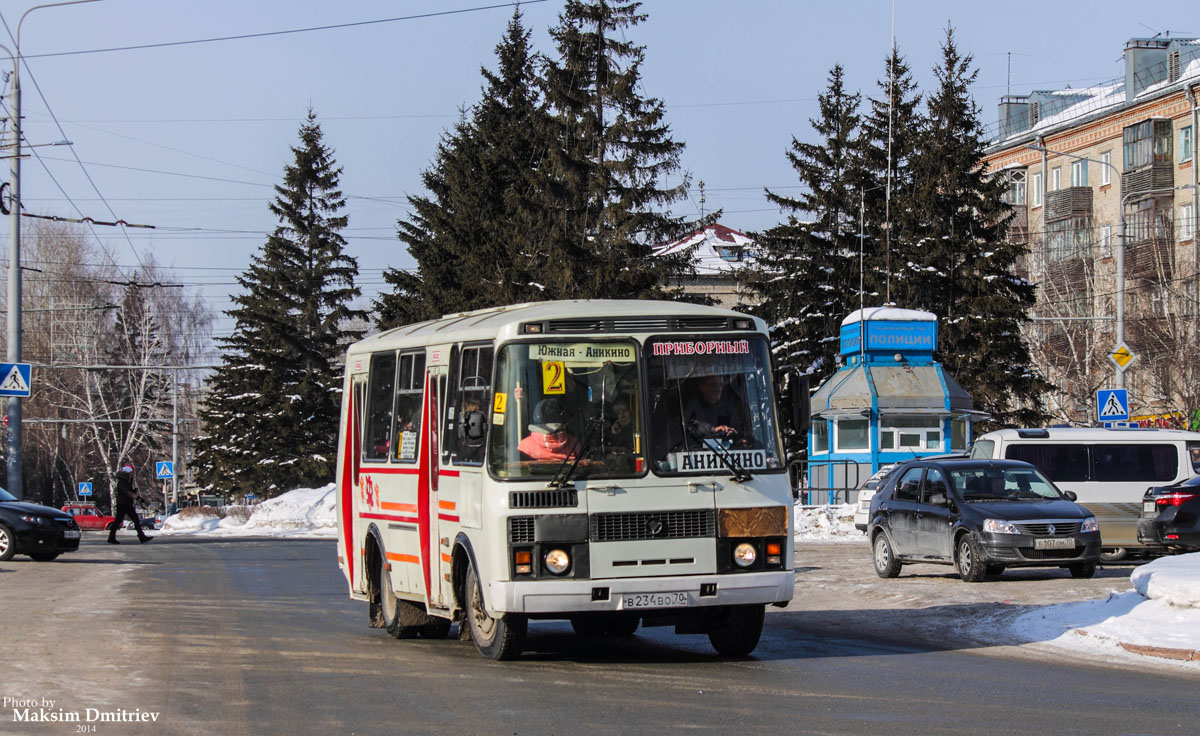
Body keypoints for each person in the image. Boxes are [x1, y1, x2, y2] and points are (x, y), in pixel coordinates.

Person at [683, 374, 746, 440]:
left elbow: (739, 435)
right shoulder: (692, 407)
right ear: (702, 387)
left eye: (721, 385)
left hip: (725, 449)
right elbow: (689, 426)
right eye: (713, 385)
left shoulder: (729, 410)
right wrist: (713, 429)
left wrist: (732, 433)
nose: (718, 389)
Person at [108, 464, 152, 544]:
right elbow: (127, 492)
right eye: (131, 472)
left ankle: (112, 537)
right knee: (128, 520)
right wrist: (137, 497)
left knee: (128, 520)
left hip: (126, 503)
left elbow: (129, 492)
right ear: (127, 472)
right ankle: (141, 537)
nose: (132, 474)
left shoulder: (127, 481)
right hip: (123, 504)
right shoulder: (122, 482)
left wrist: (134, 491)